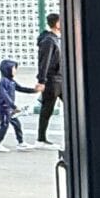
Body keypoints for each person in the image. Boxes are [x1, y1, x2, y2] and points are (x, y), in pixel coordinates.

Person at [35, 12, 65, 146]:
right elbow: (44, 62)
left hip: (61, 78)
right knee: (47, 108)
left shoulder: (58, 39)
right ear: (57, 23)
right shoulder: (49, 40)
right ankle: (41, 138)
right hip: (52, 79)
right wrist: (42, 80)